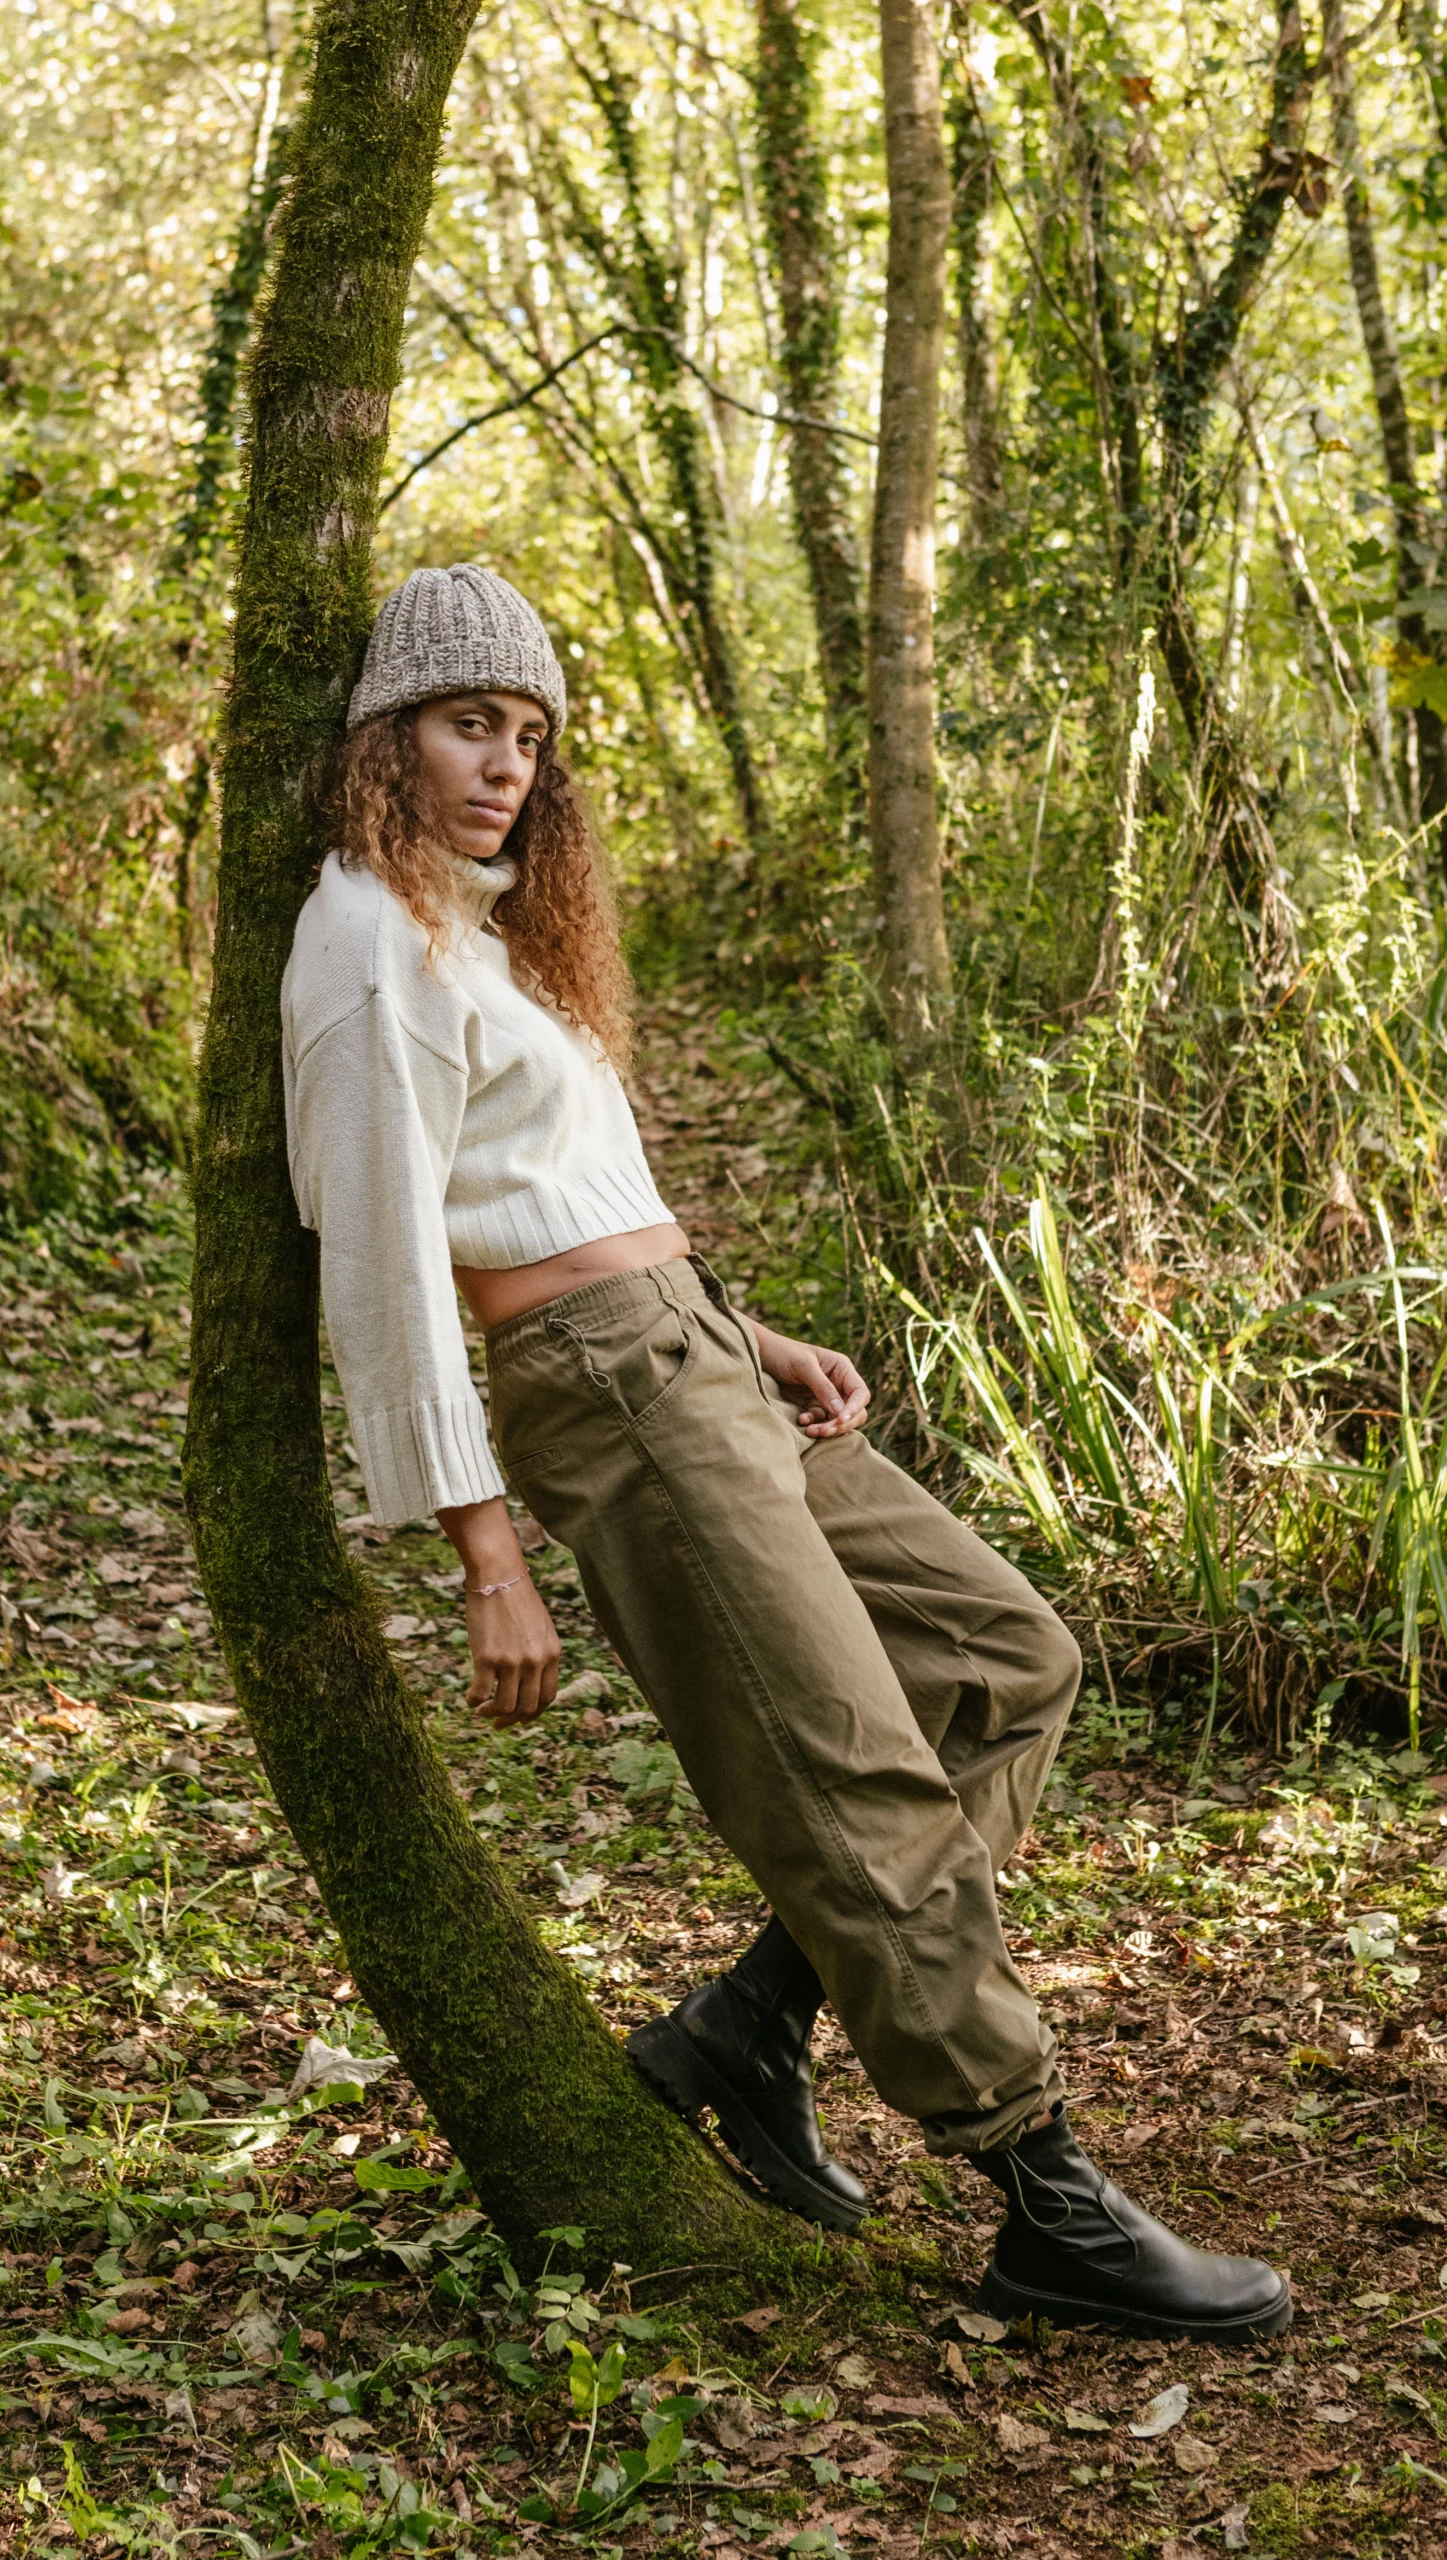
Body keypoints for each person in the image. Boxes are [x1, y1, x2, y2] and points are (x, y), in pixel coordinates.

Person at [280, 561, 1290, 2342]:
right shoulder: (362, 942)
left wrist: (744, 1334)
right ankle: (1037, 2191)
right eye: (464, 725)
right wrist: (482, 1548)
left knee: (1004, 1659)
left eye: (527, 734)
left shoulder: (478, 929)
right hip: (609, 1394)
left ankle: (750, 2026)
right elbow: (382, 1270)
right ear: (385, 735)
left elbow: (567, 1199)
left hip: (692, 1352)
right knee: (853, 1779)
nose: (503, 764)